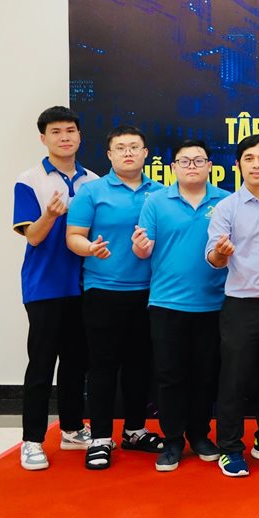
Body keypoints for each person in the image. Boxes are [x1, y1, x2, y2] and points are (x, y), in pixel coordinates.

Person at [66, 126, 164, 470]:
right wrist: (89, 248)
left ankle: (135, 430)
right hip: (103, 291)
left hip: (150, 293)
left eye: (134, 147)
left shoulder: (161, 193)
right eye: (120, 148)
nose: (128, 153)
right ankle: (100, 438)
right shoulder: (91, 192)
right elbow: (73, 236)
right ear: (109, 155)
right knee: (103, 366)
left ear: (145, 153)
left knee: (140, 364)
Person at [134, 139, 230, 472]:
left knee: (205, 375)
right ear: (173, 167)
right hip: (167, 303)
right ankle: (173, 440)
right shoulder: (156, 201)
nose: (192, 166)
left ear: (209, 166)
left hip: (213, 303)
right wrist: (140, 248)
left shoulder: (225, 201)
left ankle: (200, 435)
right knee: (170, 375)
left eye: (198, 160)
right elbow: (144, 249)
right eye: (184, 161)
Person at [13, 106, 98, 471]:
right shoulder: (29, 180)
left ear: (80, 135)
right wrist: (49, 214)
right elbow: (32, 237)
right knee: (42, 364)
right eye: (56, 132)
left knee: (77, 362)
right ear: (43, 138)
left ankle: (72, 429)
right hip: (44, 286)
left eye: (70, 130)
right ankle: (32, 440)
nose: (65, 137)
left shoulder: (93, 181)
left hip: (83, 286)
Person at [205, 135, 259, 477]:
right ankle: (230, 447)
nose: (256, 164)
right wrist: (221, 253)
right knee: (235, 380)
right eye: (249, 158)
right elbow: (213, 258)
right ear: (238, 164)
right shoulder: (226, 207)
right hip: (241, 307)